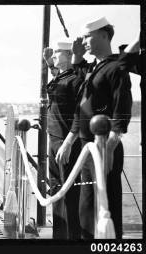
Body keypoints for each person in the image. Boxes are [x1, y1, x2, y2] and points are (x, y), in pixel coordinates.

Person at [56, 17, 133, 239]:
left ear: (104, 35)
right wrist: (70, 141)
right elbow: (82, 106)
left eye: (88, 36)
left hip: (103, 147)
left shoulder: (116, 67)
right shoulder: (95, 68)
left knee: (105, 206)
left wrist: (109, 147)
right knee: (87, 209)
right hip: (86, 147)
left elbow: (121, 109)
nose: (84, 41)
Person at [43, 40, 83, 239]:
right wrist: (50, 64)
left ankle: (72, 238)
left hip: (66, 142)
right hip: (54, 139)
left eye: (58, 54)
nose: (54, 56)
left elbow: (80, 113)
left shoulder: (76, 79)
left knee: (69, 192)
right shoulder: (63, 76)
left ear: (69, 56)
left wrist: (68, 142)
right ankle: (59, 236)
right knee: (56, 188)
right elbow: (56, 83)